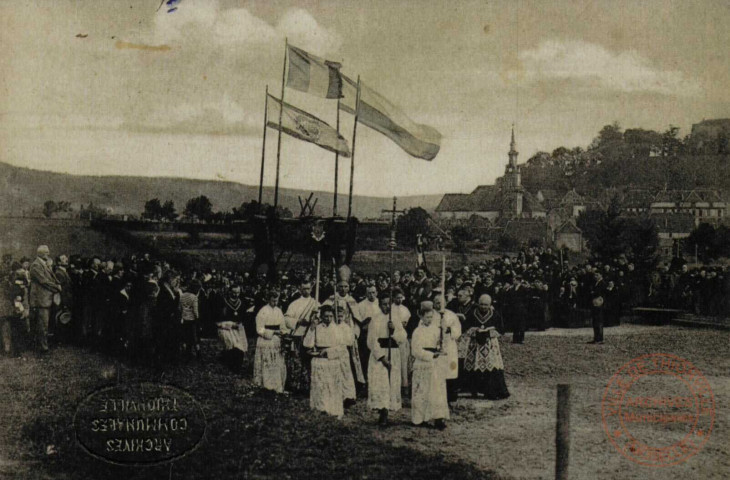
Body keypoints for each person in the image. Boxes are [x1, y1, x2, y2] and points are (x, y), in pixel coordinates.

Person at [366, 293, 407, 426]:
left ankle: (387, 410)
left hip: (393, 352)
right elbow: (371, 341)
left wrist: (394, 331)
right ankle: (382, 411)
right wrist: (382, 358)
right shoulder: (375, 319)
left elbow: (402, 338)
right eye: (384, 304)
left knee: (391, 382)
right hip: (380, 355)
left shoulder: (395, 318)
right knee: (381, 382)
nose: (387, 307)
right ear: (379, 305)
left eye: (389, 304)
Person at [462, 294, 510, 400]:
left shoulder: (495, 314)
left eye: (486, 305)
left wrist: (489, 332)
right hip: (475, 344)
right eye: (482, 304)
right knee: (474, 364)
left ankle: (492, 390)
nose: (483, 307)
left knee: (492, 366)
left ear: (490, 305)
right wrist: (475, 331)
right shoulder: (472, 313)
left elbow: (501, 329)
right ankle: (474, 390)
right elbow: (465, 327)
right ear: (478, 304)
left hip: (490, 344)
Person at [411, 302, 449, 429]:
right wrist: (430, 355)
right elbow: (415, 350)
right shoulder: (417, 332)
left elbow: (442, 343)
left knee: (437, 392)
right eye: (427, 317)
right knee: (421, 392)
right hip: (422, 364)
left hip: (434, 364)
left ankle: (438, 417)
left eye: (431, 317)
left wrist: (442, 339)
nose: (430, 320)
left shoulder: (435, 330)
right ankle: (419, 418)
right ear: (421, 317)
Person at [303, 305, 345, 419]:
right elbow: (307, 344)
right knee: (320, 386)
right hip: (319, 361)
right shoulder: (316, 328)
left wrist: (328, 351)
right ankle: (321, 409)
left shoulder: (337, 329)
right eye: (326, 316)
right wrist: (312, 327)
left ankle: (334, 410)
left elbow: (342, 348)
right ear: (321, 316)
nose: (328, 318)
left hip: (332, 361)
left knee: (332, 386)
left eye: (331, 316)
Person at [284, 279, 319, 394]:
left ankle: (307, 385)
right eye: (304, 288)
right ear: (300, 289)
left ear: (311, 289)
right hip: (298, 335)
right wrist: (298, 321)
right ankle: (295, 385)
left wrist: (314, 321)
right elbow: (287, 319)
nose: (306, 291)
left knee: (308, 361)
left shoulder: (316, 303)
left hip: (311, 336)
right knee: (296, 361)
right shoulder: (294, 304)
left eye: (308, 288)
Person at [29, 245, 62, 353]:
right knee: (42, 324)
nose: (48, 254)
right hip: (40, 300)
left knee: (45, 324)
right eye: (46, 252)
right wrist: (57, 287)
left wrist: (57, 283)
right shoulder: (35, 266)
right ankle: (42, 347)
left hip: (47, 298)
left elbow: (51, 278)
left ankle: (43, 344)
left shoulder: (45, 265)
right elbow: (43, 281)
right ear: (41, 253)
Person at [254, 290, 289, 393]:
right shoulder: (263, 311)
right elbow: (259, 329)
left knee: (277, 363)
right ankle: (267, 386)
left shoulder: (279, 311)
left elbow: (282, 326)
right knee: (267, 362)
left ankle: (277, 386)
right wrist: (273, 332)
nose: (275, 302)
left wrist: (284, 332)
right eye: (273, 300)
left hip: (277, 340)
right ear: (268, 299)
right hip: (266, 340)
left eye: (276, 300)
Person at [433, 295, 461, 404]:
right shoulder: (430, 315)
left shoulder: (451, 315)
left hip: (449, 346)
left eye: (441, 302)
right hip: (435, 346)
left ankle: (450, 396)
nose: (439, 305)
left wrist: (449, 329)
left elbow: (458, 330)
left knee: (450, 369)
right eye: (437, 303)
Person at [217, 285, 248, 372]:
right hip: (228, 327)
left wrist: (240, 323)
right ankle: (231, 364)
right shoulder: (225, 302)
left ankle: (238, 365)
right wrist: (230, 324)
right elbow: (221, 318)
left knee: (241, 346)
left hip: (238, 327)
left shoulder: (242, 302)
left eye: (238, 292)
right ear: (230, 292)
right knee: (231, 345)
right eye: (234, 292)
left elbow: (244, 316)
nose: (236, 294)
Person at [390, 287, 411, 388]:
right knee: (394, 362)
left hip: (402, 337)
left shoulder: (405, 309)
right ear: (393, 298)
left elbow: (405, 324)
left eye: (400, 298)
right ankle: (394, 385)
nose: (399, 300)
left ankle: (404, 384)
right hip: (393, 337)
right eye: (397, 298)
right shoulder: (390, 309)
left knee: (403, 362)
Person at [180, 279, 201, 359]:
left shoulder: (182, 295)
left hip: (184, 319)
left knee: (185, 337)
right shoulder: (194, 297)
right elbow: (195, 311)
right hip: (192, 320)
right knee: (195, 337)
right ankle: (198, 354)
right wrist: (198, 319)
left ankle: (186, 353)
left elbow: (180, 308)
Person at [589, 272, 606, 344]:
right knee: (595, 321)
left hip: (599, 303)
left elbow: (600, 293)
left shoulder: (602, 283)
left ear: (601, 275)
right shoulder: (596, 283)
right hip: (595, 303)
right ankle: (596, 338)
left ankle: (600, 339)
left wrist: (593, 292)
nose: (595, 276)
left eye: (597, 275)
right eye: (595, 275)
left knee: (599, 321)